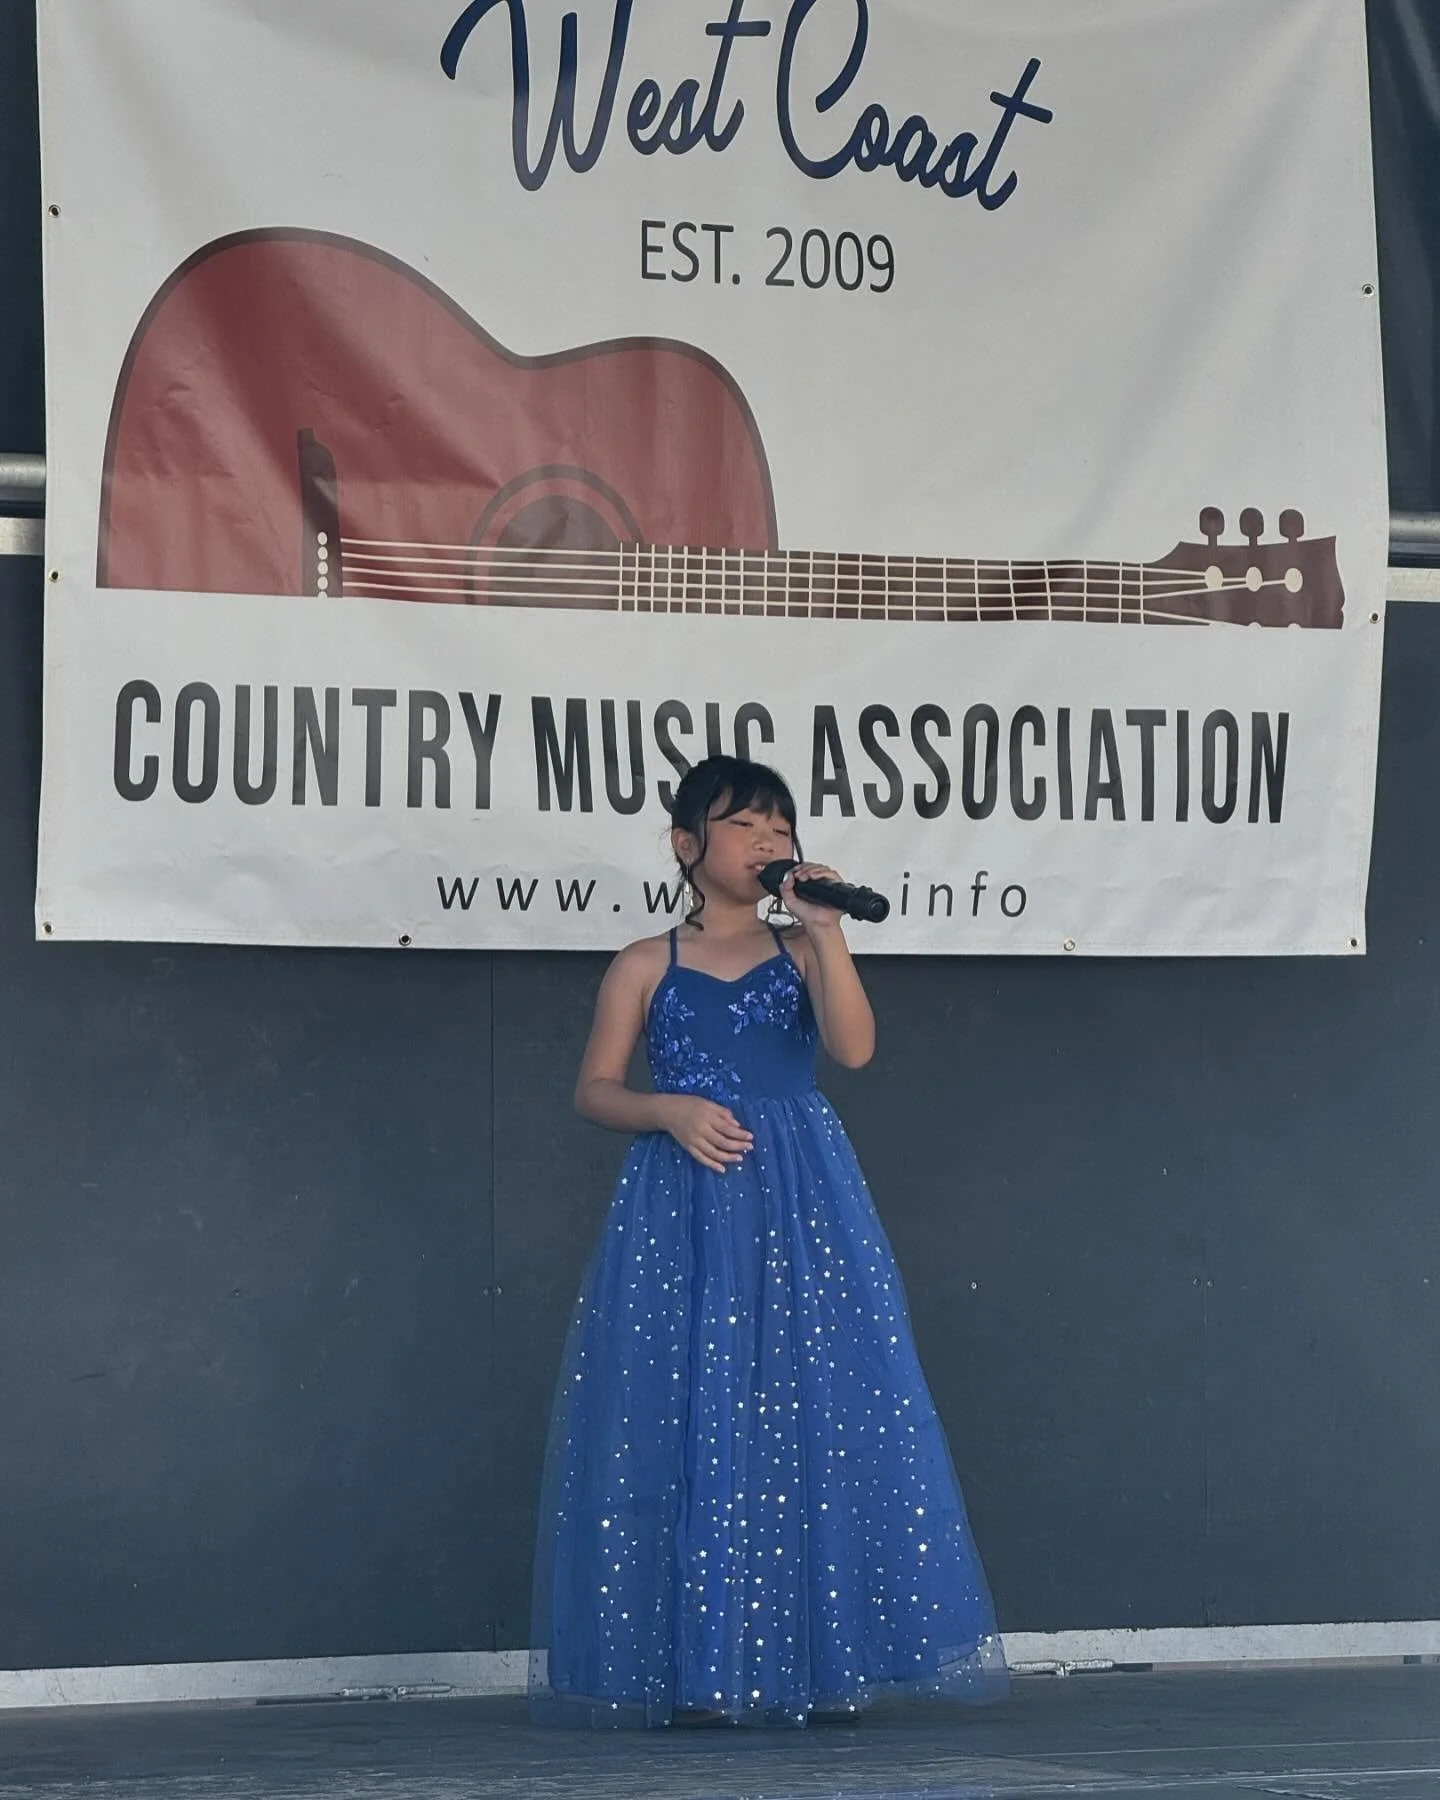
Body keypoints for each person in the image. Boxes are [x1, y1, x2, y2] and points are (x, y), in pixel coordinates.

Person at [529, 755, 1007, 1728]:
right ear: (685, 845)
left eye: (780, 826)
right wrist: (665, 1110)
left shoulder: (801, 952)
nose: (768, 841)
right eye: (743, 824)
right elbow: (594, 1088)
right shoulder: (642, 964)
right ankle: (702, 1665)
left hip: (801, 1200)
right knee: (694, 1412)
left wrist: (826, 935)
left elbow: (855, 1048)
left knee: (813, 1409)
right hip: (687, 1205)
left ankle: (819, 1660)